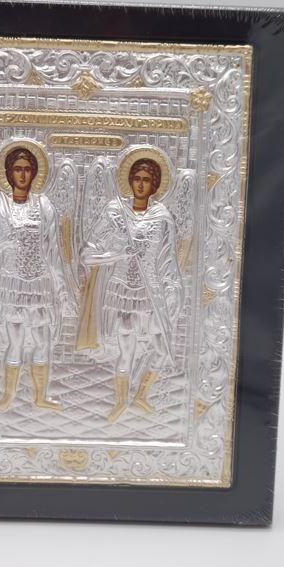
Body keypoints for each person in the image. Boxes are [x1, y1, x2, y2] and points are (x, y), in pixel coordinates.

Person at [77, 156, 183, 422]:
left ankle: (142, 394)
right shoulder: (115, 212)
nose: (141, 184)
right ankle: (120, 401)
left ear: (155, 185)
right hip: (123, 292)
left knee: (162, 349)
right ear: (129, 181)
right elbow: (87, 254)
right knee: (127, 352)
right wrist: (116, 254)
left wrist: (172, 289)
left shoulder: (162, 218)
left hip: (152, 293)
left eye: (146, 180)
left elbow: (168, 259)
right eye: (136, 179)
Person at [0, 144, 71, 412]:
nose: (23, 174)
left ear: (35, 173)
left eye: (28, 169)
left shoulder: (44, 205)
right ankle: (8, 395)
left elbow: (53, 251)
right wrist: (2, 241)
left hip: (40, 283)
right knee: (14, 342)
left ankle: (40, 396)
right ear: (8, 173)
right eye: (17, 169)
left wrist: (60, 289)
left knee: (42, 341)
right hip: (12, 283)